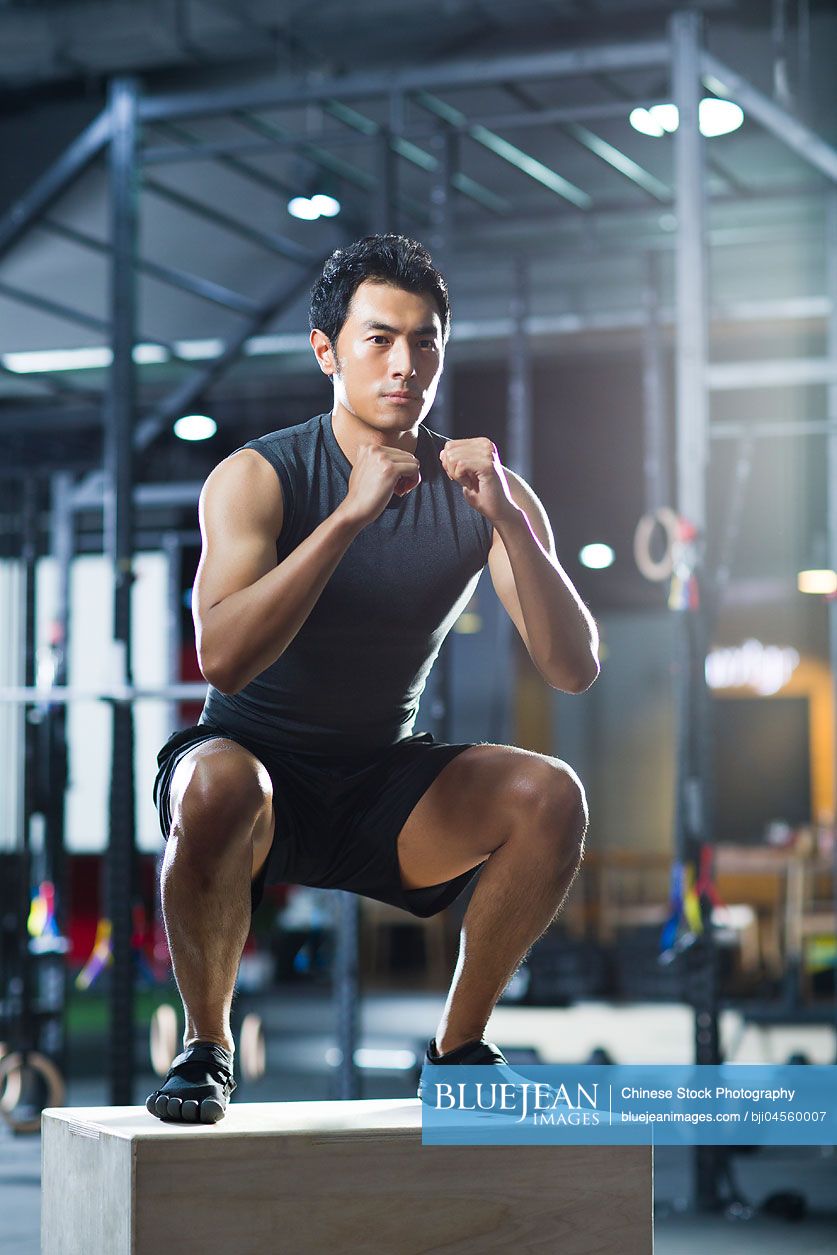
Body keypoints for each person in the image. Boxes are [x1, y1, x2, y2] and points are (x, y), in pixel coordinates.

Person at [146, 234, 599, 1124]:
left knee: (552, 796)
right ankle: (207, 1046)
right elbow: (223, 658)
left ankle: (459, 1052)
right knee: (215, 785)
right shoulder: (257, 476)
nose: (406, 365)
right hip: (251, 772)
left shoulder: (482, 491)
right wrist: (350, 515)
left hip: (382, 783)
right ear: (328, 351)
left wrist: (508, 521)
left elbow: (573, 668)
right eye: (379, 339)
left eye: (424, 340)